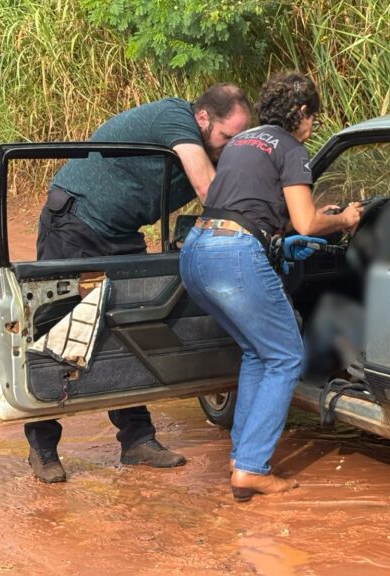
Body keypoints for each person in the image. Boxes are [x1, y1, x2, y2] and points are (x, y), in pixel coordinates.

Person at [27, 83, 252, 483]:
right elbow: (209, 190)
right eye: (226, 137)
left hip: (121, 230)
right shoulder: (174, 118)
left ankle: (137, 440)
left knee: (130, 330)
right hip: (76, 221)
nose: (230, 146)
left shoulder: (207, 143)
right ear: (202, 118)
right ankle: (43, 447)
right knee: (59, 334)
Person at [179, 71, 362, 501]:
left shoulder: (246, 140)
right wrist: (344, 219)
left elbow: (258, 207)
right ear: (300, 113)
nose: (312, 126)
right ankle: (250, 469)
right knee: (286, 355)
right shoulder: (292, 147)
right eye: (312, 117)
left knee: (258, 353)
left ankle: (243, 455)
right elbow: (307, 223)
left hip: (198, 249)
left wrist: (309, 220)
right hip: (234, 255)